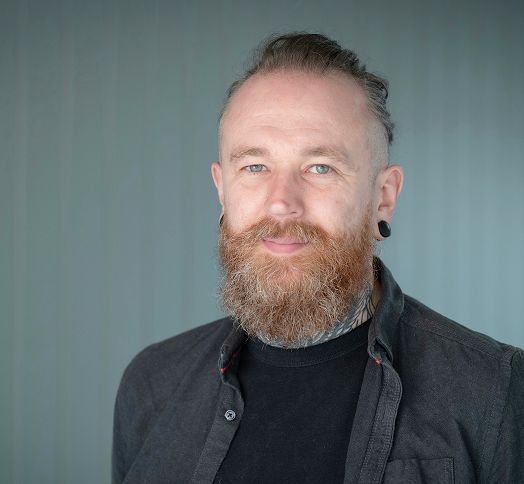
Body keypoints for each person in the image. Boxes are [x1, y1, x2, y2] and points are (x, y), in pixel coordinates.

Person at [112, 33, 523, 483]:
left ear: (383, 198)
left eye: (320, 167)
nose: (281, 203)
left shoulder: (493, 389)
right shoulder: (152, 384)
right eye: (254, 167)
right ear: (222, 190)